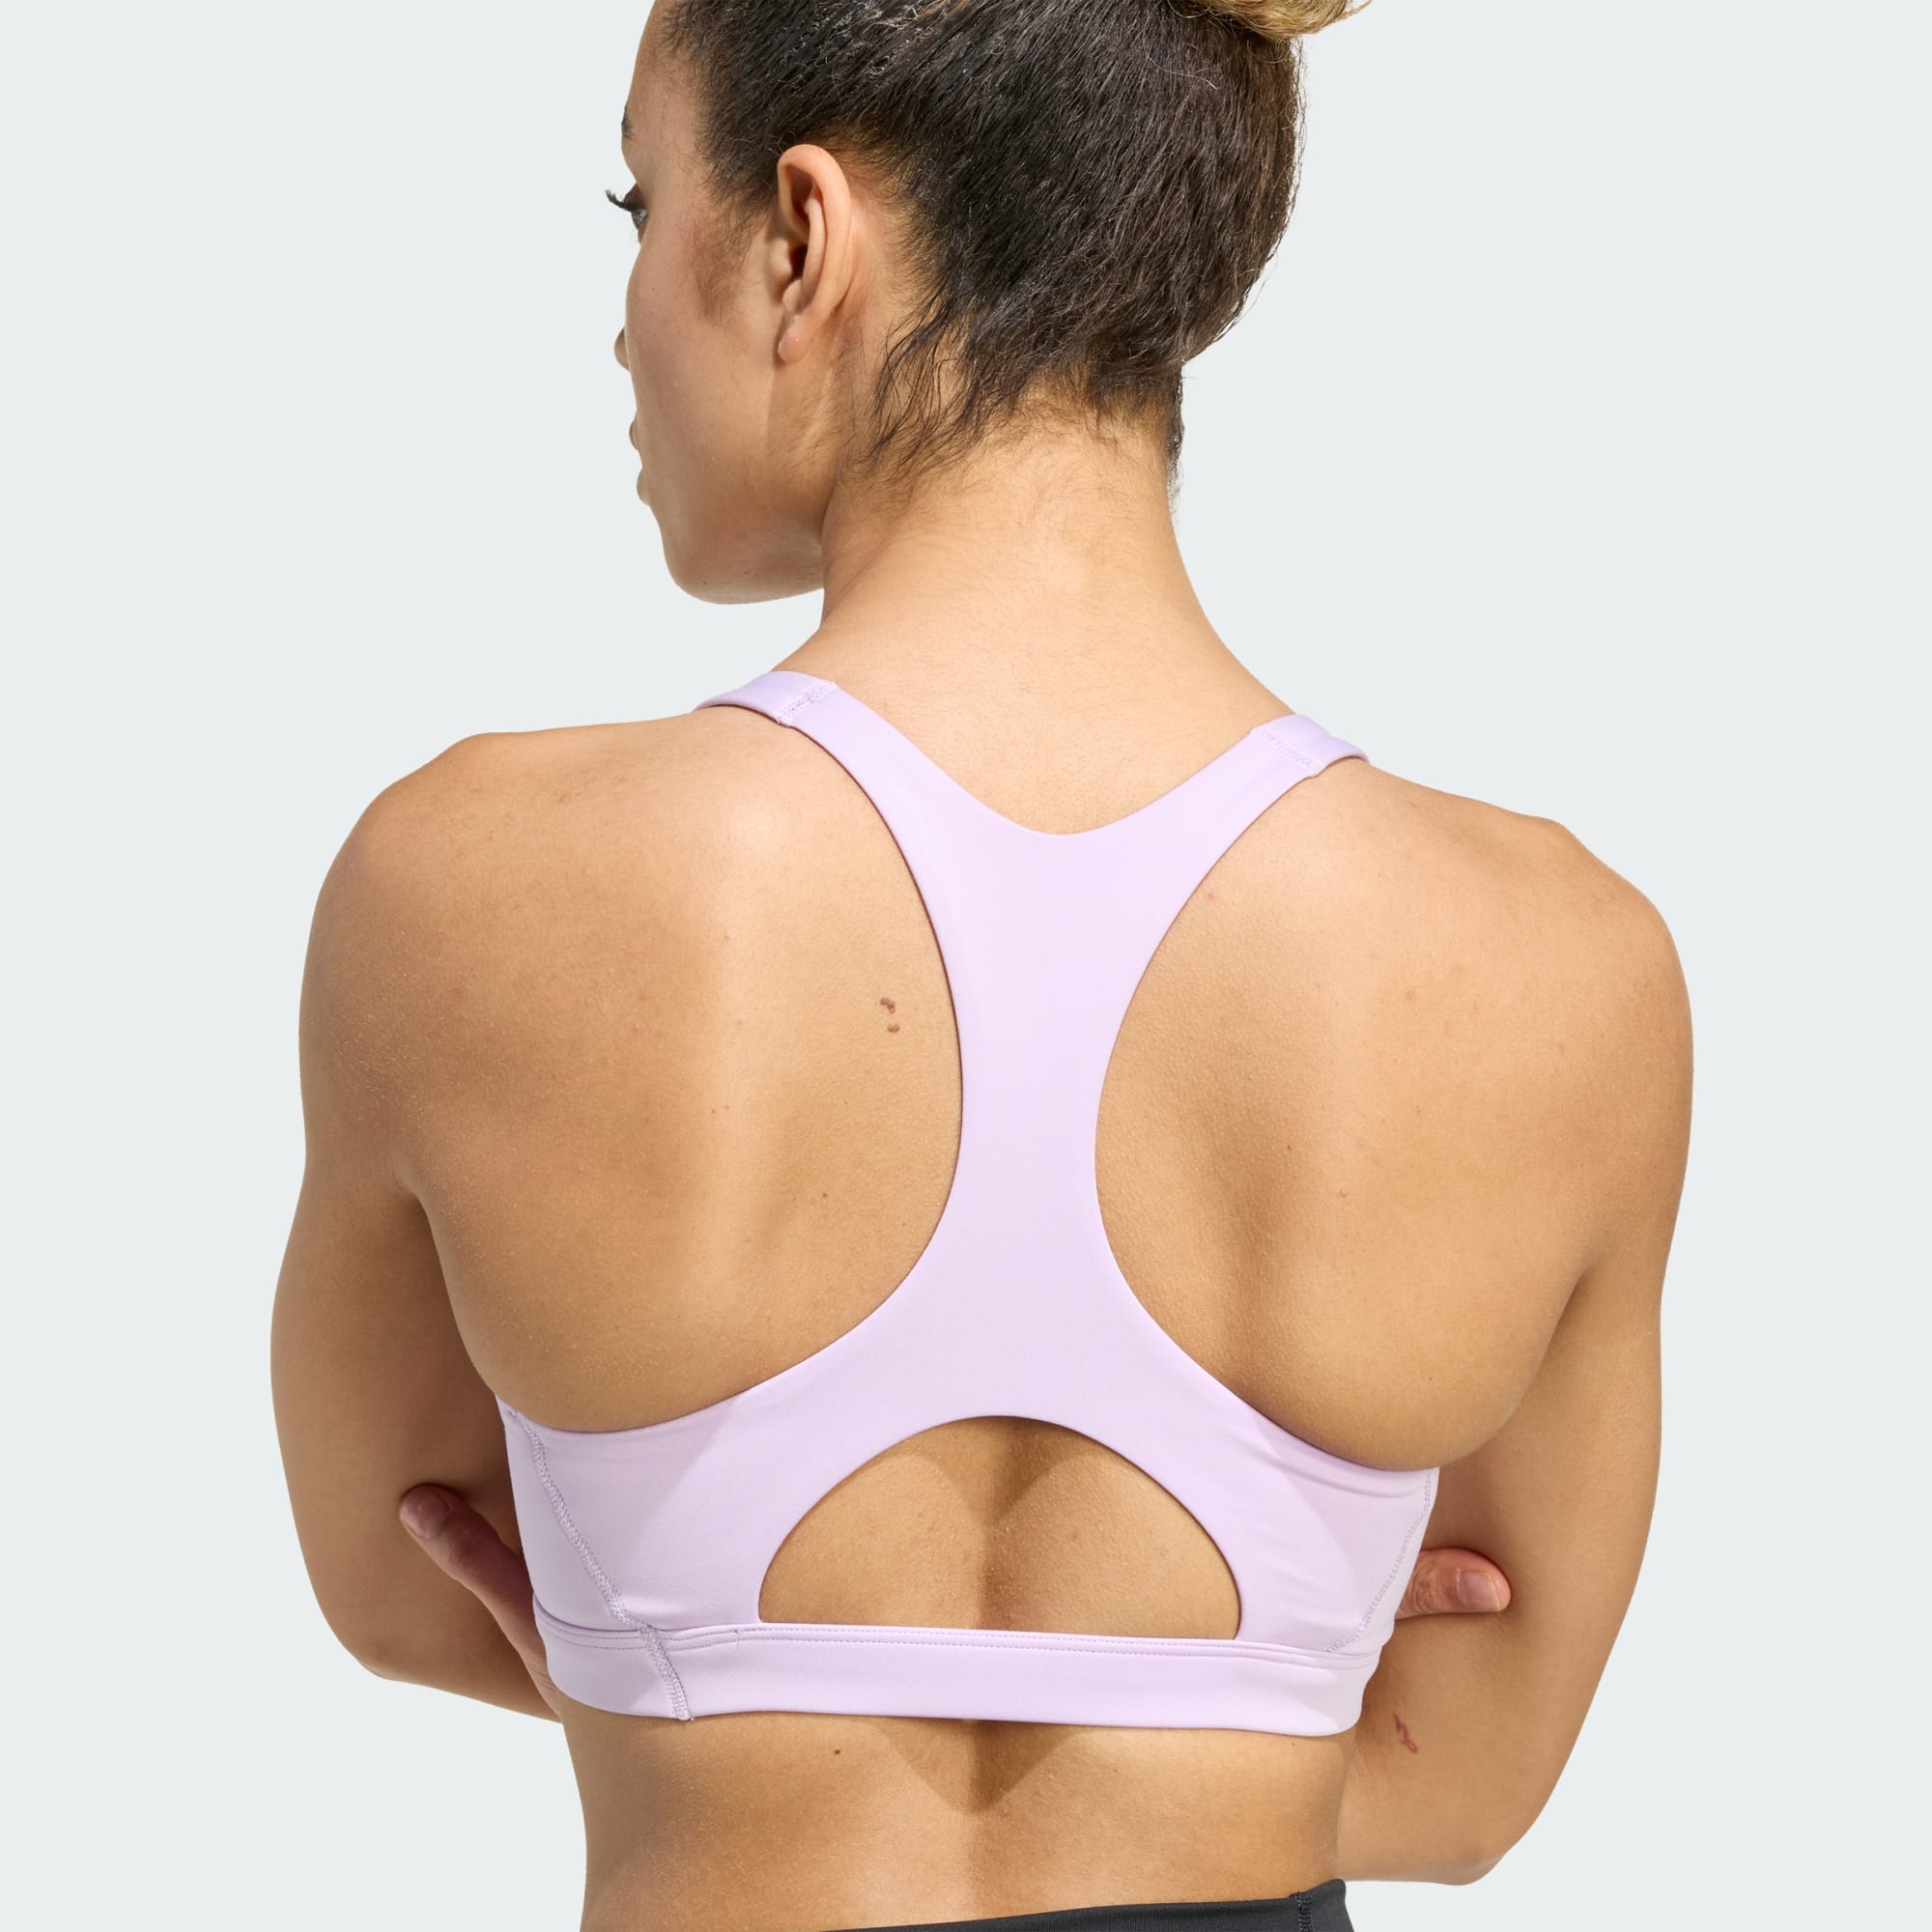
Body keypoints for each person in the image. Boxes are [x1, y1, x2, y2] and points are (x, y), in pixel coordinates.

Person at [270, 2, 1692, 1927]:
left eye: (638, 204)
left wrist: (693, 1665)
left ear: (803, 237)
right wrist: (1212, 1717)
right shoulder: (1558, 962)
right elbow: (1467, 1777)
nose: (622, 320)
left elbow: (398, 1576)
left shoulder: (466, 881)